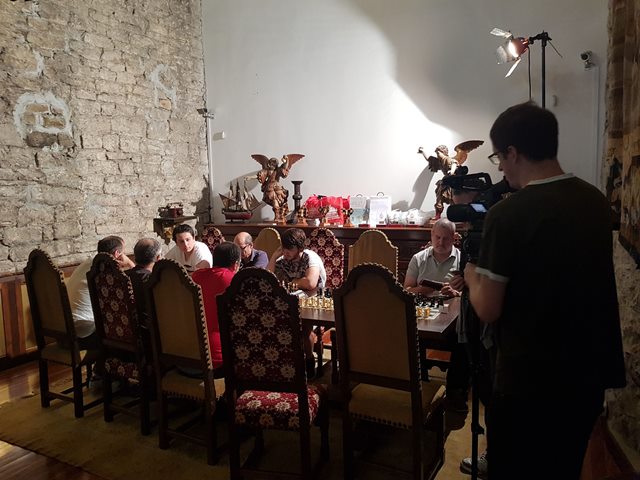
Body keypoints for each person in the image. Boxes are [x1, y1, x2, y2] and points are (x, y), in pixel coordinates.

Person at [464, 102, 626, 480]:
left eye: (499, 157)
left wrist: (472, 276)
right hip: (587, 374)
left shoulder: (508, 214)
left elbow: (488, 308)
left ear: (513, 152)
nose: (500, 168)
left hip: (529, 379)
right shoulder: (594, 201)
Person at [268, 228, 326, 377]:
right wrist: (274, 257)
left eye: (290, 249)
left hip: (315, 299)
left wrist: (292, 282)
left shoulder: (310, 257)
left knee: (304, 327)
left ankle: (309, 360)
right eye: (284, 248)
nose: (285, 252)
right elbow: (268, 281)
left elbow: (311, 283)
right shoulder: (282, 260)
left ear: (300, 248)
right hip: (293, 299)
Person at [66, 235, 136, 349]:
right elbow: (134, 287)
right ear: (117, 254)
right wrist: (130, 264)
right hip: (85, 334)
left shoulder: (89, 263)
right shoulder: (105, 272)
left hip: (67, 329)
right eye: (123, 253)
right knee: (130, 330)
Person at [192, 241, 241, 376]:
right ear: (236, 264)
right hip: (219, 360)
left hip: (188, 355)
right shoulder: (234, 281)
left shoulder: (195, 276)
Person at [404, 218, 464, 297]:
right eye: (438, 237)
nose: (441, 242)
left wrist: (456, 294)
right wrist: (422, 290)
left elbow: (473, 294)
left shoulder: (462, 260)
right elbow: (406, 290)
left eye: (446, 239)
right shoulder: (418, 258)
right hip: (423, 303)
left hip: (451, 303)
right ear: (432, 235)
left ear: (453, 238)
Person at [125, 238, 162, 325]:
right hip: (149, 326)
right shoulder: (152, 281)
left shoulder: (124, 275)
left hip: (128, 324)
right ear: (158, 258)